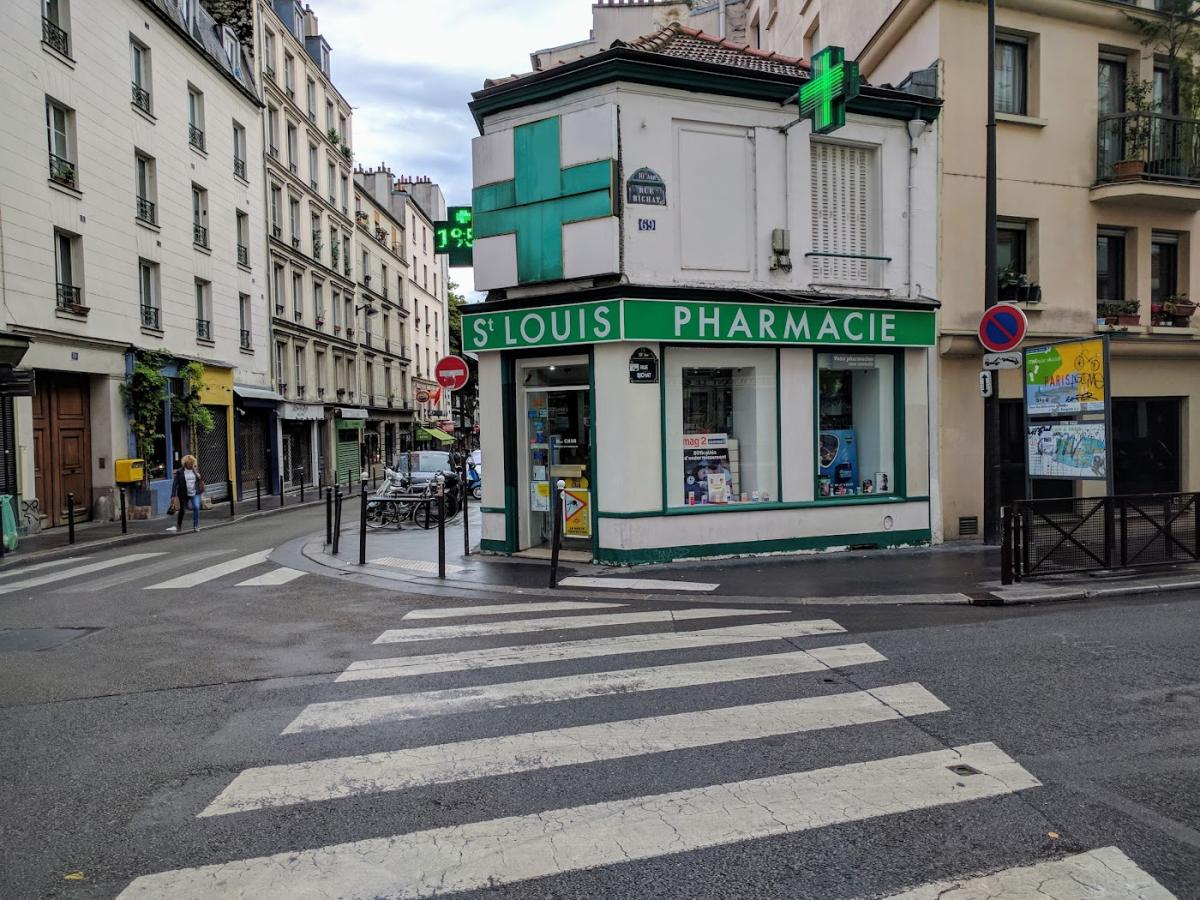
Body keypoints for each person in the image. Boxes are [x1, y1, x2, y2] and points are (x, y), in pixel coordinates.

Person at [168, 455, 205, 533]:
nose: (192, 465)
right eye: (190, 463)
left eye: (193, 463)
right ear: (186, 463)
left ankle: (196, 525)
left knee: (196, 507)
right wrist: (173, 495)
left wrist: (199, 477)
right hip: (184, 494)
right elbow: (175, 484)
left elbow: (199, 480)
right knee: (183, 510)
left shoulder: (195, 470)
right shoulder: (179, 472)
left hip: (195, 492)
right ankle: (179, 525)